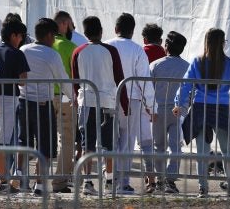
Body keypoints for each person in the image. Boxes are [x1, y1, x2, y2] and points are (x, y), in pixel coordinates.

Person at [173, 28, 230, 197]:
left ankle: (203, 188)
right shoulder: (229, 63)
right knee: (227, 149)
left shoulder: (197, 61)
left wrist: (179, 104)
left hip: (200, 107)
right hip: (222, 108)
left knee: (202, 151)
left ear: (206, 42)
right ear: (223, 43)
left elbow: (185, 85)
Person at [71, 16, 128, 196]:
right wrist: (125, 104)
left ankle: (87, 181)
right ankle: (109, 180)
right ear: (101, 31)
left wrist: (76, 97)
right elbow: (120, 79)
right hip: (108, 102)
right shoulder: (111, 51)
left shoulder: (78, 51)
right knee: (108, 144)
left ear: (85, 32)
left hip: (86, 100)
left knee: (87, 143)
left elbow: (75, 81)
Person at [19, 18, 72, 196]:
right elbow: (63, 80)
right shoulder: (51, 55)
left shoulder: (23, 50)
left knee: (24, 143)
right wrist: (75, 98)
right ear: (49, 35)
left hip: (23, 101)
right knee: (45, 146)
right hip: (43, 104)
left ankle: (22, 181)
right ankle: (40, 184)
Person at [107, 13, 156, 195]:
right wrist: (151, 105)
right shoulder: (137, 50)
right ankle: (123, 183)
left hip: (109, 99)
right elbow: (144, 80)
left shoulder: (107, 45)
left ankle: (109, 178)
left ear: (116, 29)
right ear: (132, 31)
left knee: (110, 141)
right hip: (132, 100)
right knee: (127, 142)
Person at [0, 17, 30, 188]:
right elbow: (23, 80)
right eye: (20, 36)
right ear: (14, 35)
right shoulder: (17, 53)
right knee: (1, 142)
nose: (21, 40)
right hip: (8, 98)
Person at [150, 31, 189, 194]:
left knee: (158, 146)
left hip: (158, 109)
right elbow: (191, 90)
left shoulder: (155, 65)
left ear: (166, 46)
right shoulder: (187, 66)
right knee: (176, 146)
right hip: (178, 110)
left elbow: (148, 88)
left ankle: (159, 179)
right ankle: (170, 180)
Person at [51, 11, 78, 193]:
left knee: (41, 141)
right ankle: (60, 181)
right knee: (67, 140)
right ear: (65, 24)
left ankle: (36, 181)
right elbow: (76, 76)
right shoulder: (70, 47)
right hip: (65, 97)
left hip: (43, 95)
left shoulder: (45, 46)